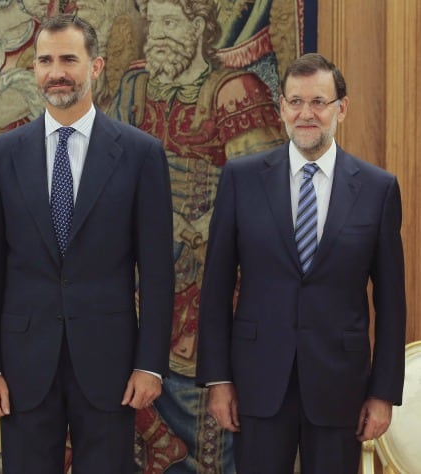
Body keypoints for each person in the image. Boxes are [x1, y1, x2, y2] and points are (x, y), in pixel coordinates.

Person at [0, 14, 174, 473]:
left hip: (111, 364)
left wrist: (150, 365)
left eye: (68, 59)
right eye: (45, 60)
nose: (56, 71)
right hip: (22, 367)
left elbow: (159, 273)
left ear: (96, 66)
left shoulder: (141, 154)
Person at [196, 53, 406, 473]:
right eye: (295, 102)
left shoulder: (378, 189)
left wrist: (383, 393)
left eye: (318, 102)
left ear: (340, 109)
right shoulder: (241, 178)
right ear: (281, 107)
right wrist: (218, 380)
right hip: (257, 383)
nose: (306, 114)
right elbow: (216, 287)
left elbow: (392, 302)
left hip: (340, 386)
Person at [111, 0, 283, 470]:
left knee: (201, 429)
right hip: (137, 285)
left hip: (204, 289)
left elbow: (267, 198)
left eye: (170, 22)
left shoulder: (234, 92)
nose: (157, 33)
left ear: (200, 26)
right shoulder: (135, 86)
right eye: (153, 22)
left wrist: (199, 228)